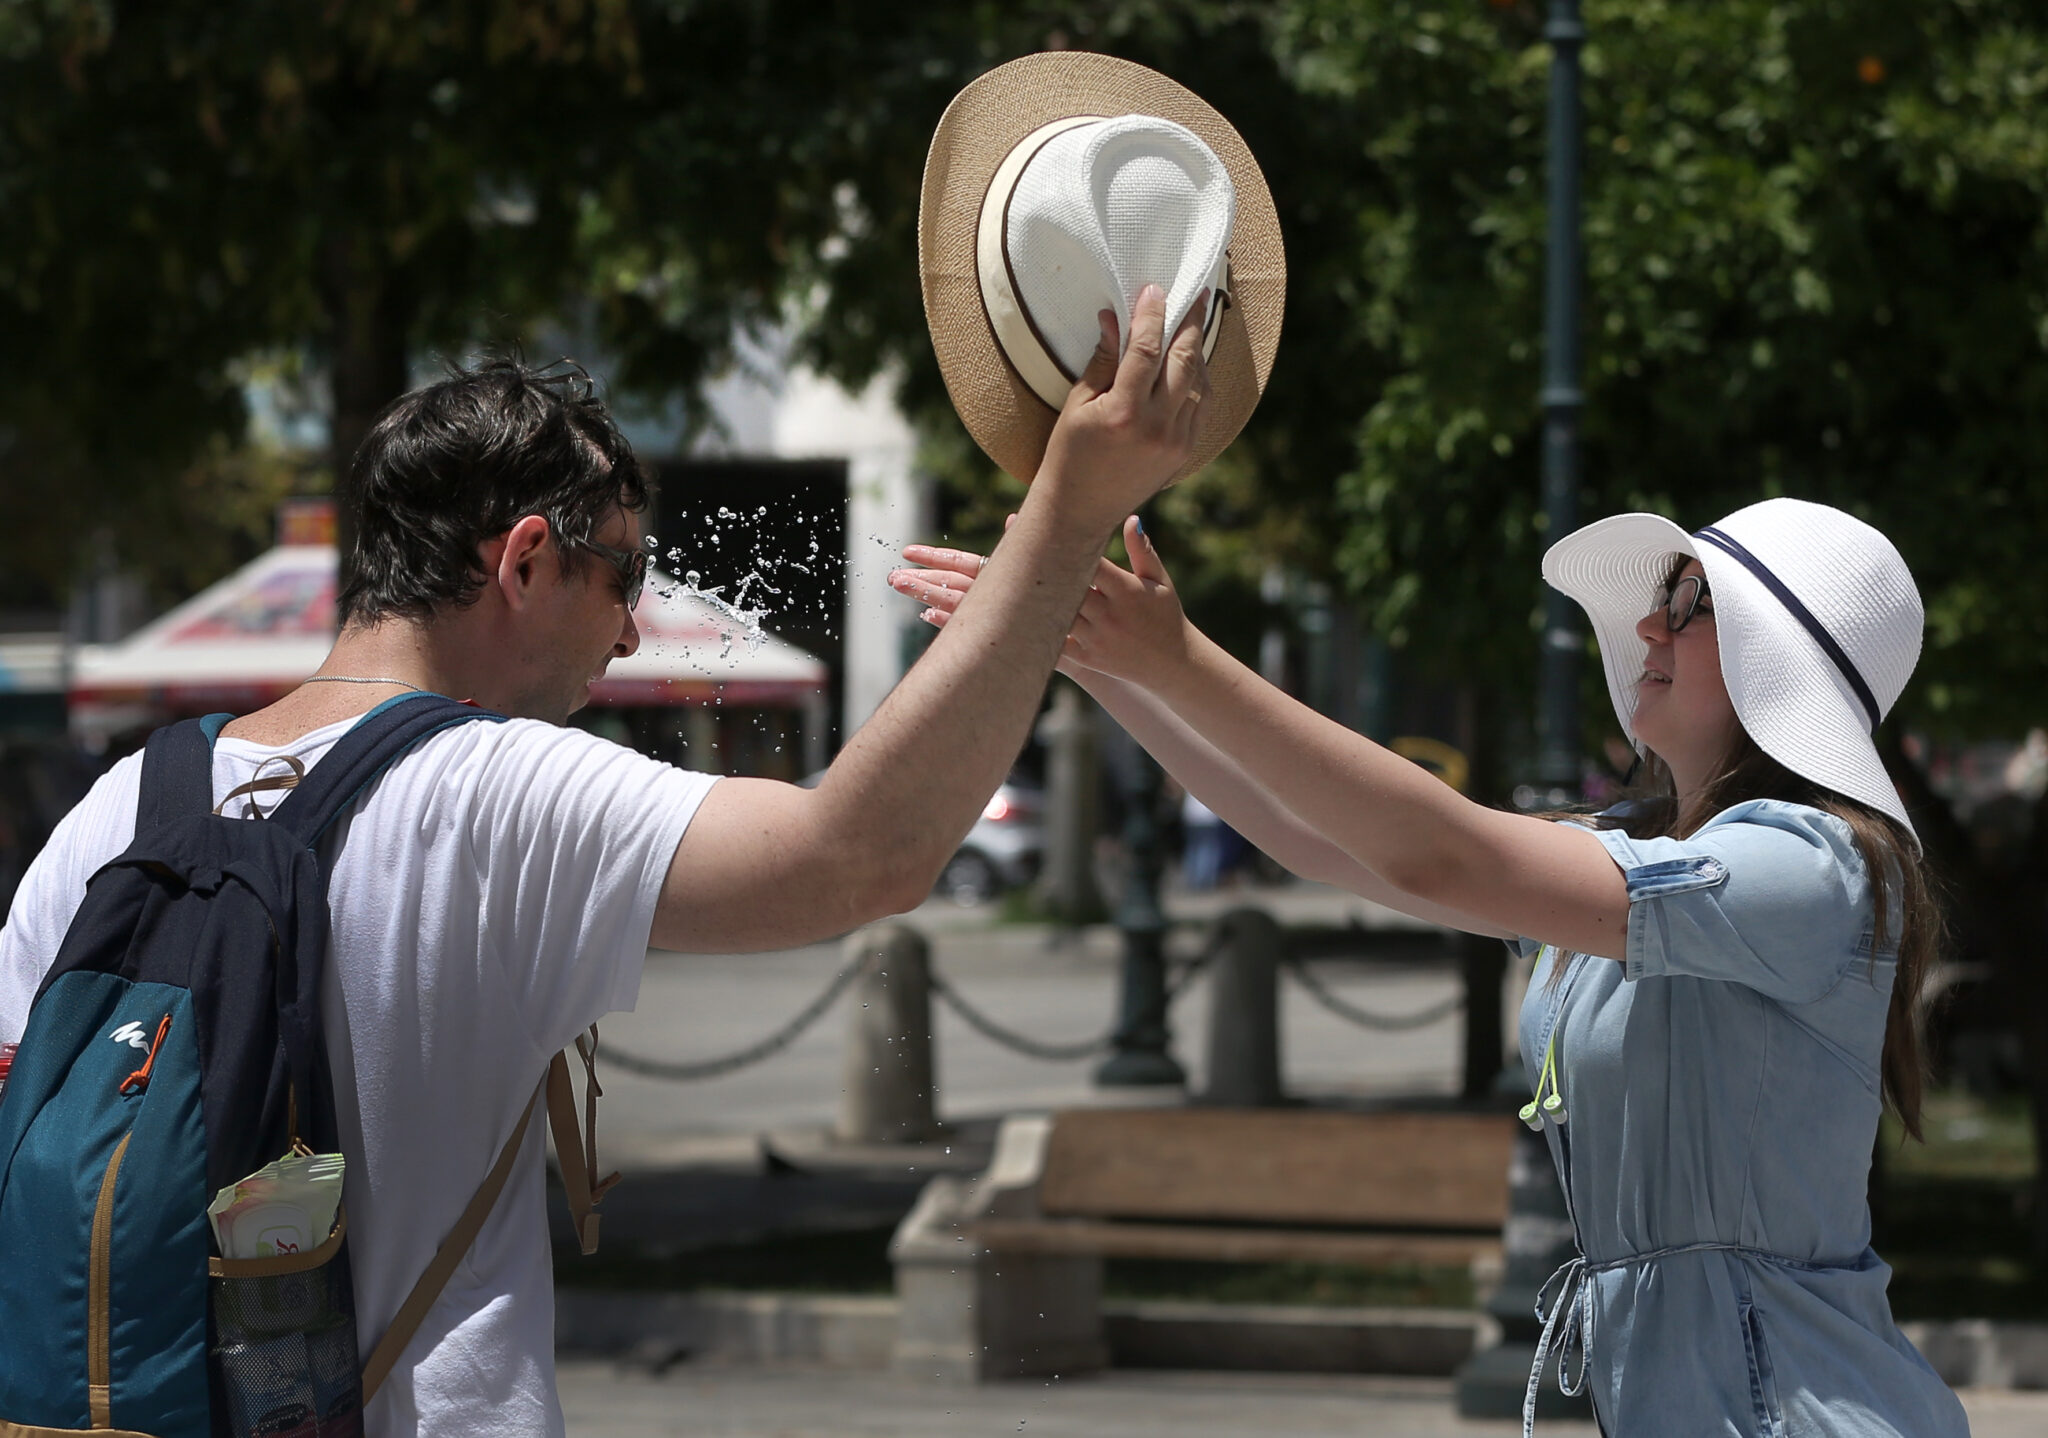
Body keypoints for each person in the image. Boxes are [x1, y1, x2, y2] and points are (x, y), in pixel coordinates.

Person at [0, 283, 1207, 1438]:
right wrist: (1065, 515)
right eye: (623, 573)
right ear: (523, 560)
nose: (632, 628)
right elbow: (859, 855)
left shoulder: (118, 813)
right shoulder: (495, 790)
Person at [891, 497, 1970, 1437]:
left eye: (1688, 605)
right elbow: (1319, 839)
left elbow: (1436, 849)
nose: (1647, 622)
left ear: (1775, 659)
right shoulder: (1641, 854)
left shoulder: (1816, 868)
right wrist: (1103, 663)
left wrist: (1175, 661)